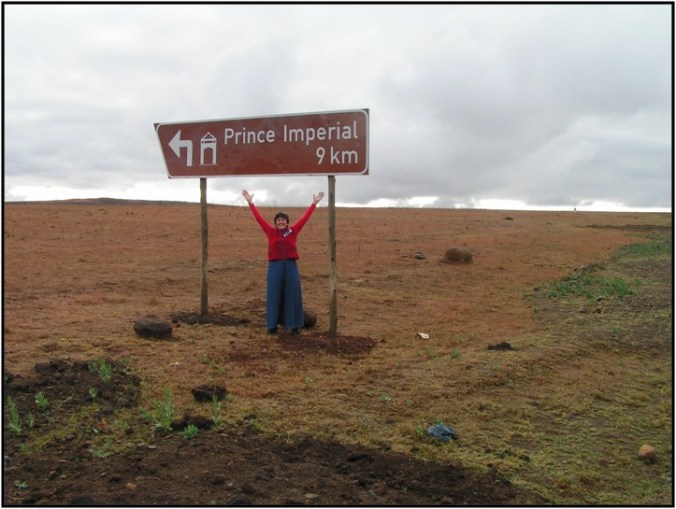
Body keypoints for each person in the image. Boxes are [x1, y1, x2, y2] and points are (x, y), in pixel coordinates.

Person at [241, 189, 324, 335]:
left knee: (292, 294)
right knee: (274, 294)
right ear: (275, 223)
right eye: (278, 220)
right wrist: (250, 202)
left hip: (291, 266)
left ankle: (293, 326)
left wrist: (314, 203)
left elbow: (305, 218)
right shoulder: (270, 232)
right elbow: (259, 218)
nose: (281, 222)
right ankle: (272, 326)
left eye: (283, 220)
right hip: (275, 266)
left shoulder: (293, 231)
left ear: (287, 222)